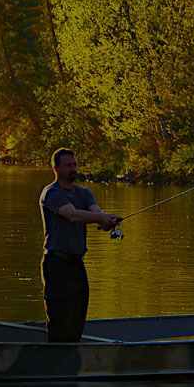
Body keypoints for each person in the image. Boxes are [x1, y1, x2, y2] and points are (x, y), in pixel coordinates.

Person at [39, 147, 121, 343]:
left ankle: (73, 364)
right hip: (56, 265)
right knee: (60, 322)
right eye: (68, 166)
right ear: (56, 168)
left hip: (77, 264)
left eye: (75, 164)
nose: (73, 169)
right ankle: (57, 365)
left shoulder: (84, 193)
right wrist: (100, 217)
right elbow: (73, 215)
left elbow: (95, 212)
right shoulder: (51, 193)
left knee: (77, 320)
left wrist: (106, 221)